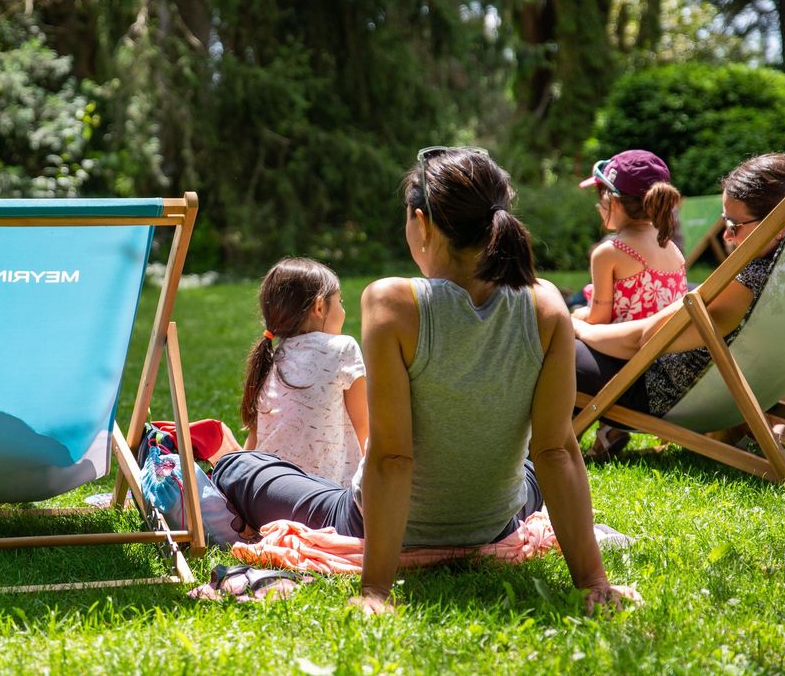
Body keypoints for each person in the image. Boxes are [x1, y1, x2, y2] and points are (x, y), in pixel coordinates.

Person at [213, 147, 639, 614]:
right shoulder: (546, 303)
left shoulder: (392, 302)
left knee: (241, 468)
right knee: (535, 467)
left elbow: (393, 457)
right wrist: (594, 582)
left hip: (376, 522)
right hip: (497, 520)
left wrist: (375, 592)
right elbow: (556, 450)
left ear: (423, 222)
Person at [573, 153, 785, 448]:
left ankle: (549, 446)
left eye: (734, 225)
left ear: (778, 224)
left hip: (666, 395)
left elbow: (647, 337)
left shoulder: (745, 281)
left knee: (559, 348)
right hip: (735, 390)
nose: (726, 235)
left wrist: (581, 330)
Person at [238, 257, 367, 484]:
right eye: (340, 301)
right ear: (319, 307)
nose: (343, 310)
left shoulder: (270, 357)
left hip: (268, 490)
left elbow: (255, 438)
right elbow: (364, 428)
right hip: (326, 497)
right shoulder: (343, 348)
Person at [574, 150, 687, 325]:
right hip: (666, 349)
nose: (598, 204)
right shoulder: (671, 247)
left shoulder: (608, 253)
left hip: (625, 349)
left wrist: (577, 315)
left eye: (600, 193)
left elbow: (598, 320)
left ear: (613, 200)